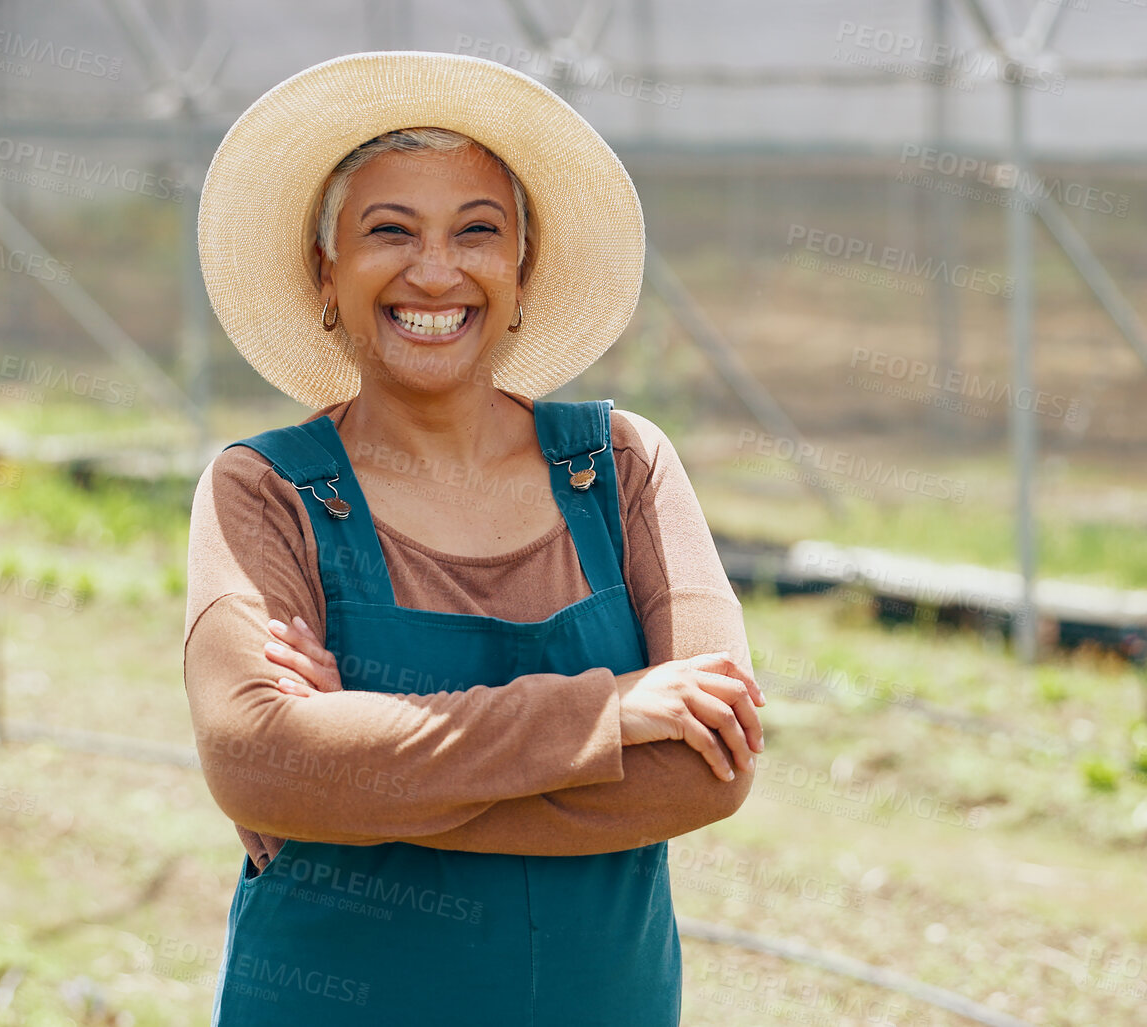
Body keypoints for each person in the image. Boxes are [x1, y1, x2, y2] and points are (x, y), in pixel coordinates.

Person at [182, 51, 762, 1026]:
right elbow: (260, 762)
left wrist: (355, 783)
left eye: (478, 231)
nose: (436, 269)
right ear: (326, 275)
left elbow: (711, 763)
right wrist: (611, 713)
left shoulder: (621, 466)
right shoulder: (268, 488)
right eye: (389, 231)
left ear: (522, 274)